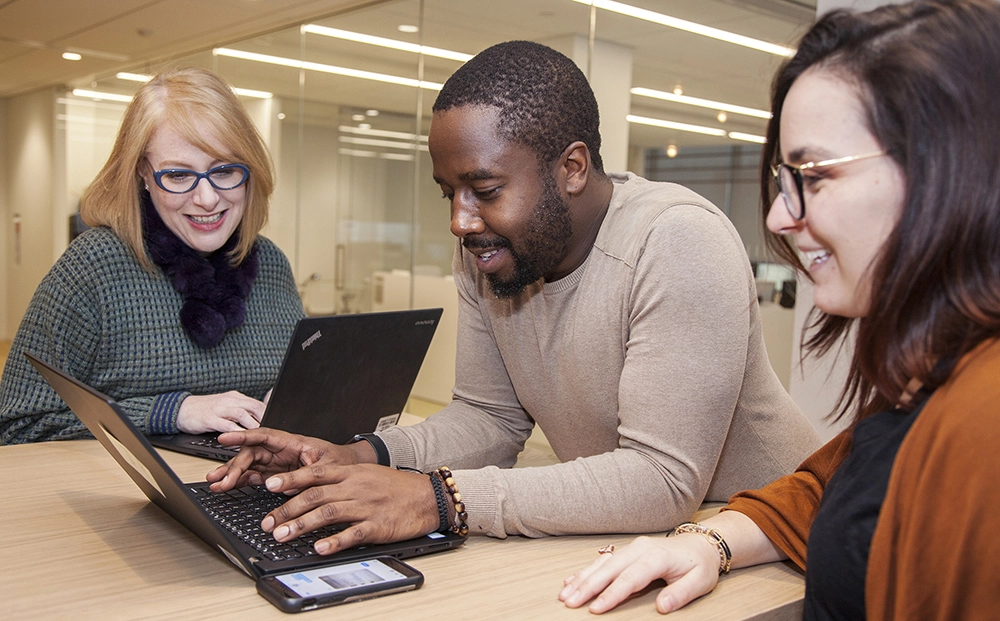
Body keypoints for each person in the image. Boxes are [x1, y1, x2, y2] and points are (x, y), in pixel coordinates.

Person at [207, 41, 818, 553]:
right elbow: (489, 419)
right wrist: (360, 455)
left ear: (572, 168)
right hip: (641, 541)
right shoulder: (490, 252)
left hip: (768, 541)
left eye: (485, 189)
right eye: (448, 192)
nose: (460, 221)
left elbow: (661, 480)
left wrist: (440, 498)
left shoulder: (677, 239)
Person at [559, 1, 1000, 617]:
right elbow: (832, 488)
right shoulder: (932, 372)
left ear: (948, 170)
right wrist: (712, 541)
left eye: (813, 177)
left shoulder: (983, 418)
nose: (778, 217)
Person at [0, 67, 304, 444]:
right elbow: (16, 429)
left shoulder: (270, 264)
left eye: (224, 171)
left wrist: (293, 404)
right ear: (143, 172)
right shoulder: (94, 267)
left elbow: (300, 383)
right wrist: (172, 411)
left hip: (253, 493)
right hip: (133, 500)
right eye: (178, 176)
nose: (207, 199)